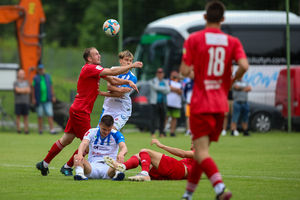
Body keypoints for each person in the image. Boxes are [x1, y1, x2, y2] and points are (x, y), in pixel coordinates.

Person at [36, 47, 142, 176]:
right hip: (81, 111)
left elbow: (112, 80)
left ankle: (44, 164)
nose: (99, 55)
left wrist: (128, 81)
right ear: (89, 58)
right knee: (90, 142)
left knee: (66, 140)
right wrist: (134, 66)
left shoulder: (94, 70)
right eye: (96, 54)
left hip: (77, 109)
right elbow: (112, 73)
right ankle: (68, 167)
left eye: (99, 53)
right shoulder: (90, 68)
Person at [179, 1, 249, 200]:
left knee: (200, 153)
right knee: (203, 153)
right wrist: (233, 78)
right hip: (220, 105)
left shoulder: (194, 39)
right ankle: (187, 195)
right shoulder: (232, 41)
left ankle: (220, 189)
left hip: (201, 104)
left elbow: (184, 71)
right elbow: (244, 65)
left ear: (204, 17)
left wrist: (198, 74)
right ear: (223, 19)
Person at [104, 139, 194, 181]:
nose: (191, 144)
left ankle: (144, 174)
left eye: (193, 142)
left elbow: (183, 154)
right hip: (173, 173)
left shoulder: (200, 152)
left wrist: (162, 146)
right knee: (139, 156)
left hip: (179, 170)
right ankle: (122, 167)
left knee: (144, 151)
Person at [73, 115, 127, 181]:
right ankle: (80, 175)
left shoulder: (116, 134)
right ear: (100, 124)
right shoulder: (92, 132)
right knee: (76, 156)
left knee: (119, 160)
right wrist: (80, 154)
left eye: (109, 130)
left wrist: (121, 154)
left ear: (112, 126)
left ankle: (118, 174)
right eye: (104, 129)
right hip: (91, 168)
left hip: (109, 168)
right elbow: (84, 143)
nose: (106, 132)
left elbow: (124, 147)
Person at [97, 50, 137, 132]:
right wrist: (120, 89)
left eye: (130, 61)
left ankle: (120, 144)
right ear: (121, 61)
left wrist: (102, 93)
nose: (129, 63)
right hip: (109, 107)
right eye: (126, 60)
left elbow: (119, 94)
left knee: (111, 131)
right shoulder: (113, 70)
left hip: (122, 110)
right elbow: (109, 87)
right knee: (99, 132)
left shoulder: (133, 78)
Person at [31, 64, 56, 134]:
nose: (41, 70)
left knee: (50, 114)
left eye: (42, 69)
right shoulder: (35, 78)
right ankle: (40, 130)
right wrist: (33, 98)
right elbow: (33, 88)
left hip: (47, 99)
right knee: (40, 115)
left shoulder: (48, 77)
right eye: (40, 69)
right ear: (38, 70)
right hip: (39, 100)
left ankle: (52, 130)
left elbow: (51, 86)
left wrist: (53, 96)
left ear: (44, 69)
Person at [148, 68, 170, 137]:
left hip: (163, 102)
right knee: (154, 118)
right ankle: (153, 133)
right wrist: (164, 88)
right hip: (154, 102)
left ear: (163, 74)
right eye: (159, 73)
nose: (160, 74)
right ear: (157, 74)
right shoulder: (152, 81)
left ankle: (161, 133)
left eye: (161, 73)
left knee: (162, 118)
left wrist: (160, 88)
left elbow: (168, 90)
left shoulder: (166, 81)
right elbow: (155, 88)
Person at [166, 70, 183, 137]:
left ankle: (172, 132)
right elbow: (169, 88)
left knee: (174, 118)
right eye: (173, 74)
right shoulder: (168, 81)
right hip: (168, 102)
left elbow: (181, 92)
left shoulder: (180, 83)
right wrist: (177, 90)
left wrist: (175, 90)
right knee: (166, 117)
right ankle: (163, 131)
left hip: (176, 103)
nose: (175, 75)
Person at [13, 69, 31, 134]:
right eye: (20, 74)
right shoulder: (16, 82)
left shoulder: (27, 82)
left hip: (25, 102)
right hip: (18, 102)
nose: (21, 75)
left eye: (22, 73)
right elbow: (17, 90)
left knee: (26, 116)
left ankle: (26, 130)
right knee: (18, 116)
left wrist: (21, 90)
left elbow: (28, 90)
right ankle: (19, 130)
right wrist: (24, 90)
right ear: (18, 74)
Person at [182, 71, 194, 136]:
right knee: (188, 117)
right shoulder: (187, 83)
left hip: (195, 104)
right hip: (188, 103)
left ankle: (194, 130)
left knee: (195, 117)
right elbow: (184, 92)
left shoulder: (197, 82)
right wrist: (186, 99)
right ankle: (189, 130)